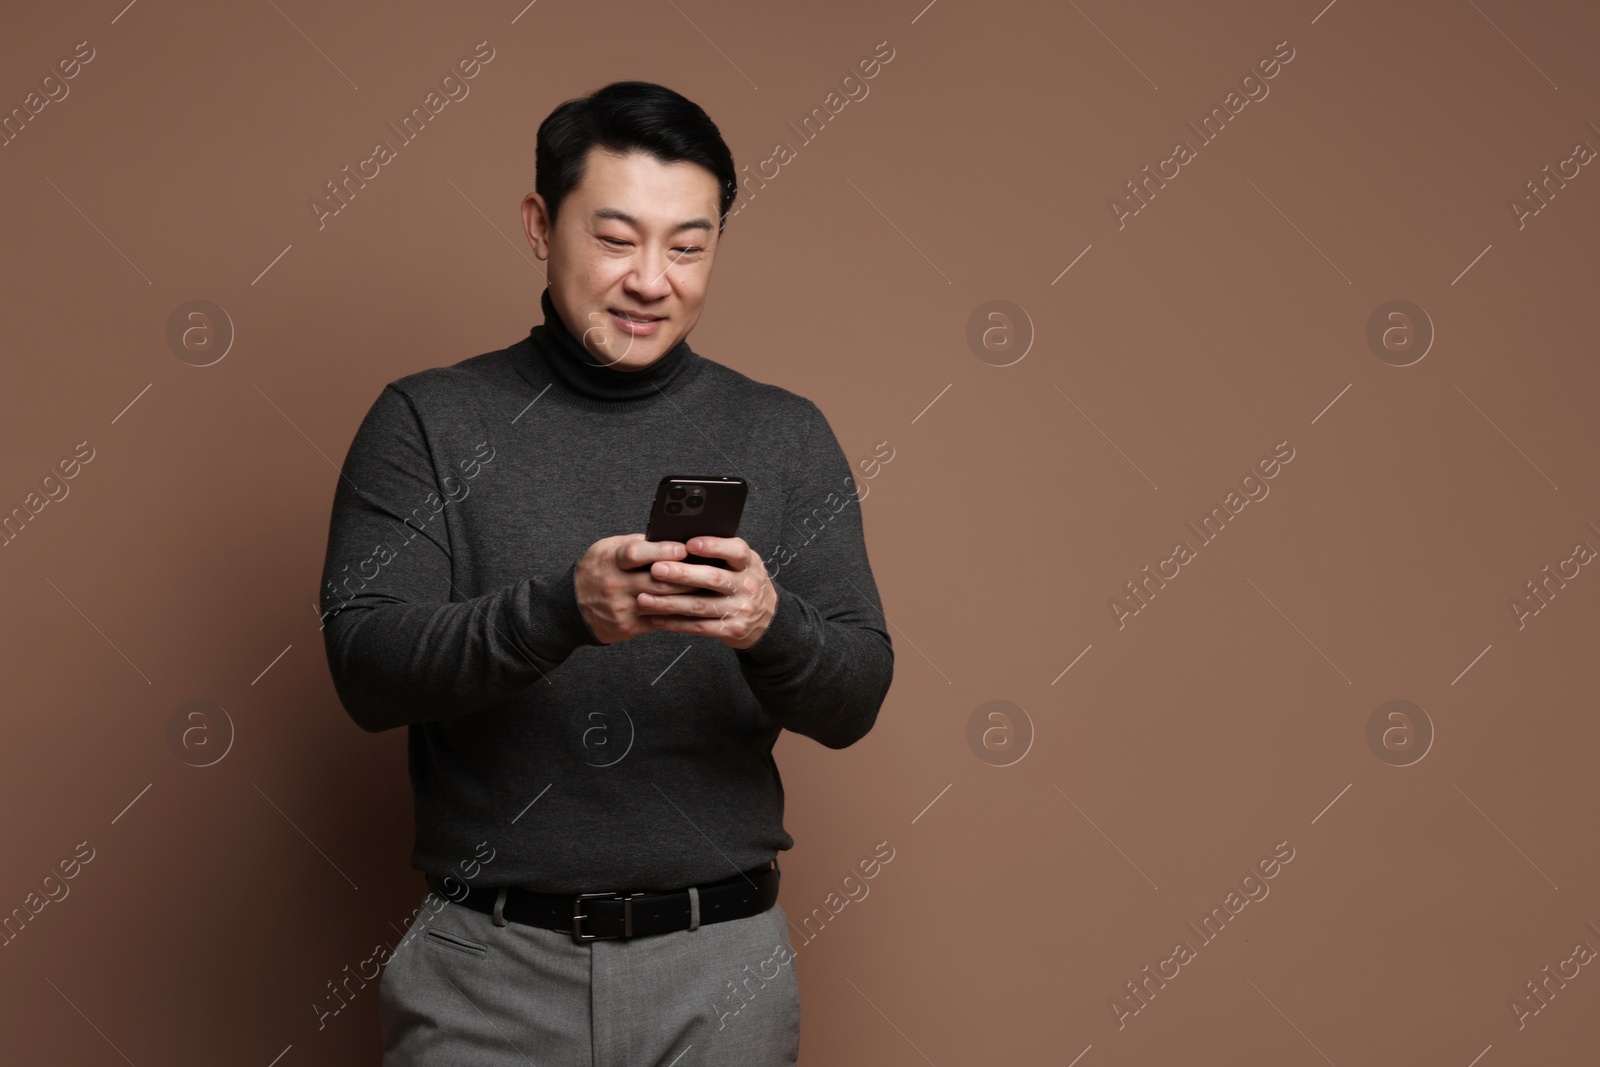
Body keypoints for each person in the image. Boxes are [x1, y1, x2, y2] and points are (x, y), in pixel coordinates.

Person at [317, 80, 894, 1066]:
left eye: (688, 244)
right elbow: (366, 666)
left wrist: (769, 623)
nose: (651, 279)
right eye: (617, 238)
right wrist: (561, 608)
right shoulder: (427, 420)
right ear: (541, 226)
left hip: (722, 970)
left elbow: (854, 698)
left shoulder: (785, 433)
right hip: (488, 972)